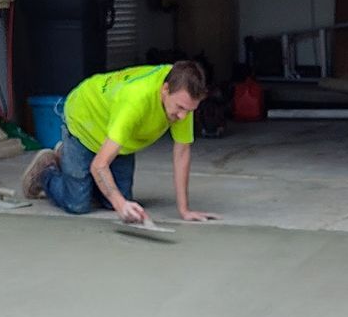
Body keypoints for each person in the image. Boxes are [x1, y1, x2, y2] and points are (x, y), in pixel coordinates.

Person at [21, 59, 215, 225]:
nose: (183, 117)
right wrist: (119, 203)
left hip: (119, 137)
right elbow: (99, 165)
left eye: (189, 110)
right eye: (180, 108)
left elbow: (181, 153)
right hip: (85, 121)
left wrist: (184, 210)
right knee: (78, 204)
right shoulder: (135, 101)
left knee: (116, 202)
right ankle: (47, 171)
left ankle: (72, 164)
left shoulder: (181, 94)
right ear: (165, 90)